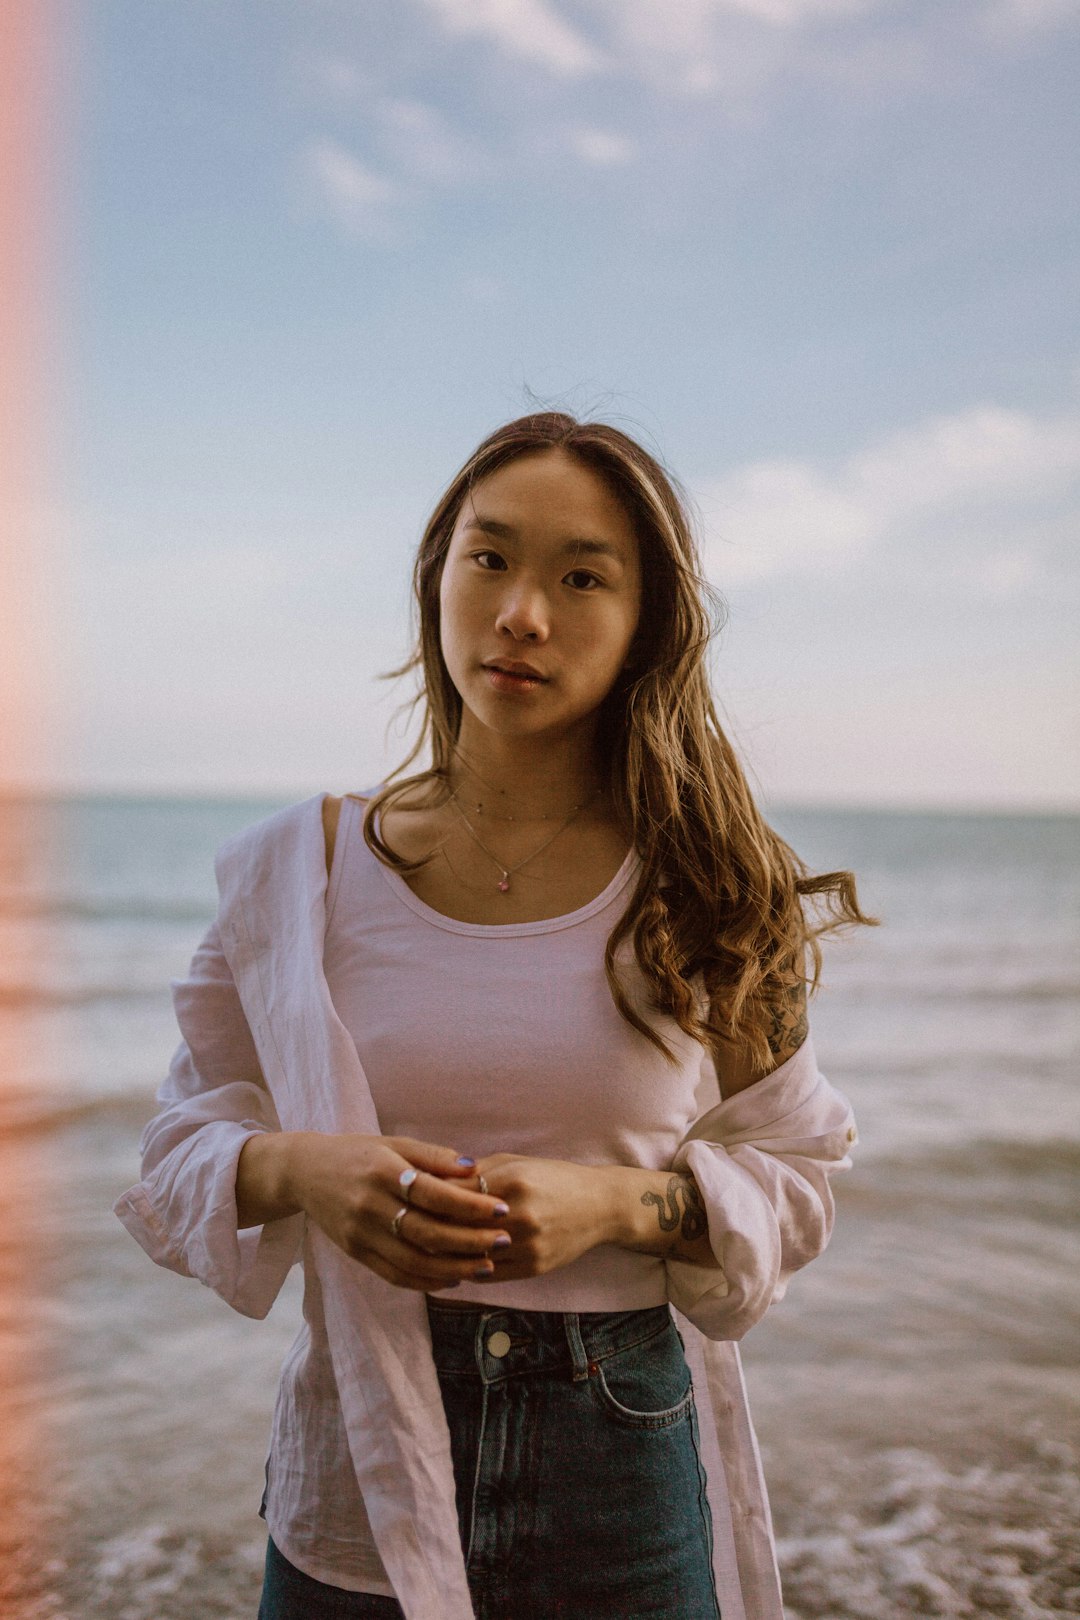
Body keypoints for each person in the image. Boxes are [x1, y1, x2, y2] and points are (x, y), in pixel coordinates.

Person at [115, 411, 875, 1620]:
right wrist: (304, 1171)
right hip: (355, 1471)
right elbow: (171, 1162)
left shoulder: (709, 885)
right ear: (438, 579)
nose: (523, 612)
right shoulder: (295, 875)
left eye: (582, 578)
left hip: (618, 1469)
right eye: (491, 558)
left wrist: (622, 1205)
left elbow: (800, 1177)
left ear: (645, 627)